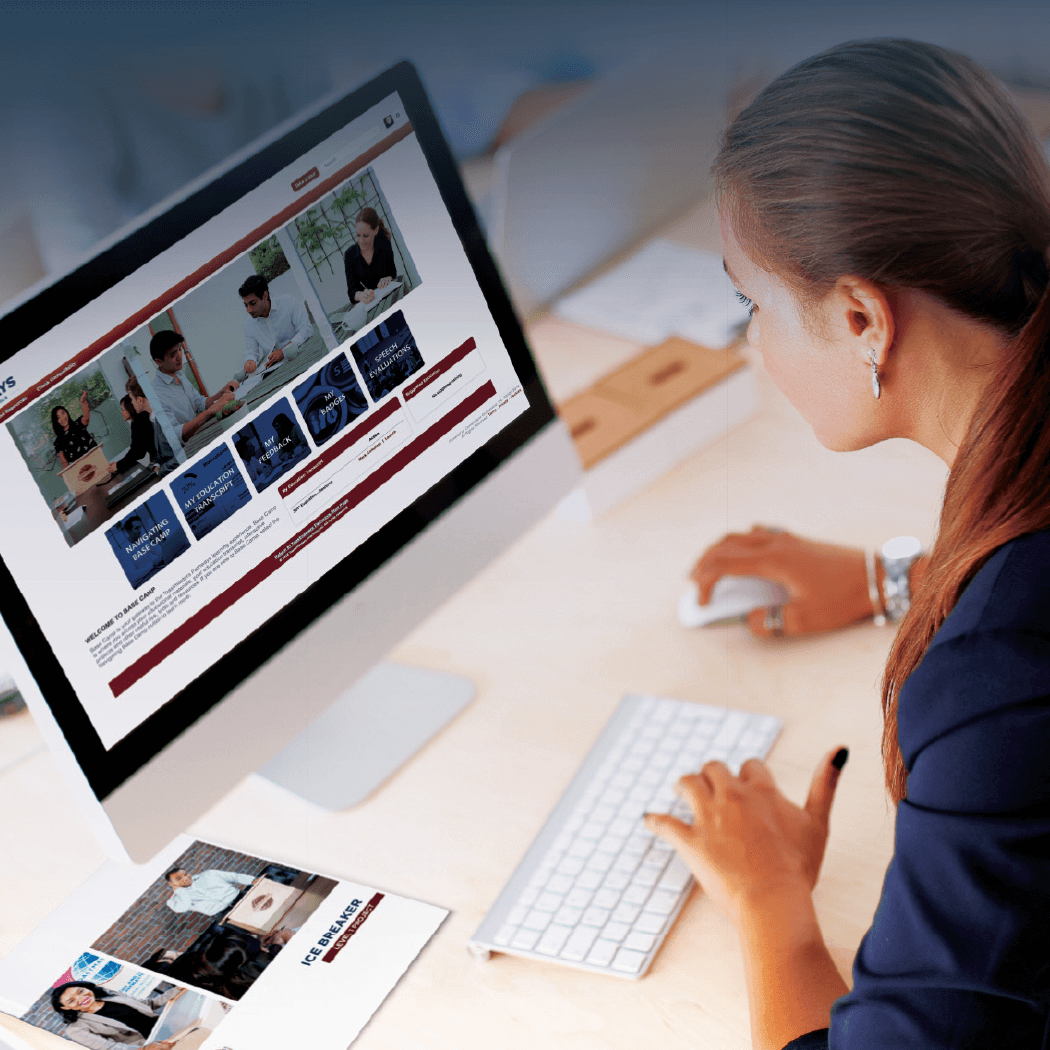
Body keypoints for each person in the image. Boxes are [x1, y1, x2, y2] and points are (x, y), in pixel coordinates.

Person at [642, 39, 1050, 1050]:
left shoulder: (996, 681)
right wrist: (900, 576)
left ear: (864, 315)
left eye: (753, 304)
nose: (754, 345)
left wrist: (771, 902)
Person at [149, 330, 238, 444]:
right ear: (158, 362)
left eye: (180, 349)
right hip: (191, 445)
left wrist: (220, 393)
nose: (179, 356)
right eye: (173, 355)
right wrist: (210, 411)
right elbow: (175, 435)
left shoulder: (179, 374)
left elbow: (199, 402)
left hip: (201, 433)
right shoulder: (156, 394)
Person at [49, 980, 183, 1050]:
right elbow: (110, 1048)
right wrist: (145, 1049)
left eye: (80, 991)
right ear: (65, 1007)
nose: (81, 998)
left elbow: (150, 1004)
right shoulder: (75, 1029)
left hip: (170, 1027)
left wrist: (176, 989)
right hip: (151, 1045)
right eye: (71, 1001)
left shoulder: (112, 995)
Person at [238, 274, 313, 374]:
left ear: (264, 296)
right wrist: (250, 361)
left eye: (252, 303)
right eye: (246, 305)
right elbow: (252, 352)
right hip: (276, 370)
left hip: (303, 355)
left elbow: (306, 329)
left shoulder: (288, 302)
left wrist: (284, 350)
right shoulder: (249, 325)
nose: (248, 310)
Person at [343, 206, 397, 307]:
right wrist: (360, 295)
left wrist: (387, 278)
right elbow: (352, 290)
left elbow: (392, 272)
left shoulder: (384, 243)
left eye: (366, 235)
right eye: (358, 235)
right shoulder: (349, 255)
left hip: (391, 296)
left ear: (376, 230)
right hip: (370, 303)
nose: (361, 241)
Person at [125, 377, 178, 476]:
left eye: (132, 399)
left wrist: (159, 471)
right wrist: (156, 465)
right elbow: (162, 452)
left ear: (140, 400)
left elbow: (180, 453)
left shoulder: (163, 417)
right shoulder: (152, 418)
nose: (131, 402)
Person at [164, 866, 258, 916]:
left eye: (186, 874)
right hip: (225, 915)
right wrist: (179, 890)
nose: (185, 878)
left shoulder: (209, 874)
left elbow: (235, 877)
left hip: (242, 898)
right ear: (171, 883)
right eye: (179, 878)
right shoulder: (175, 901)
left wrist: (253, 880)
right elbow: (184, 907)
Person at [51, 389, 97, 467]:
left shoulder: (78, 424)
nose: (63, 418)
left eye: (63, 413)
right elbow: (64, 462)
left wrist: (83, 401)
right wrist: (64, 472)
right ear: (56, 421)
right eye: (58, 417)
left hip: (96, 458)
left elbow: (86, 416)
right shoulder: (58, 442)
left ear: (67, 413)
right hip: (82, 469)